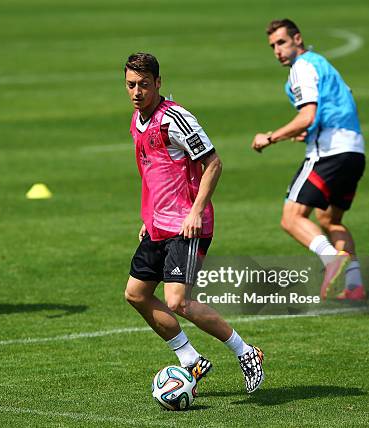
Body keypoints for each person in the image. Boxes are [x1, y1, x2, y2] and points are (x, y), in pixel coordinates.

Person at [123, 53, 264, 394]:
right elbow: (151, 174)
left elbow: (213, 163)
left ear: (158, 82)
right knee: (136, 294)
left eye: (144, 84)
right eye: (131, 85)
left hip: (188, 225)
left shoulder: (175, 119)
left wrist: (196, 211)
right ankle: (190, 359)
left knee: (177, 301)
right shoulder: (137, 121)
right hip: (159, 224)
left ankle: (247, 353)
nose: (137, 92)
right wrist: (147, 217)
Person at [252, 19, 366, 301]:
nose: (277, 50)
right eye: (273, 46)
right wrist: (309, 132)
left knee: (291, 219)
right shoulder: (322, 63)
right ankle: (355, 284)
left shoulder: (301, 68)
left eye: (281, 42)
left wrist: (270, 137)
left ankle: (331, 259)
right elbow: (338, 105)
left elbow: (307, 115)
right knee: (329, 219)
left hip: (330, 153)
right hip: (354, 152)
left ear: (297, 39)